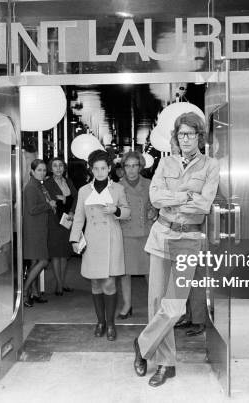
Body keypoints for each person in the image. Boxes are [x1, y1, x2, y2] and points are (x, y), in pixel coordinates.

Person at [133, 112, 220, 387]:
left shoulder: (210, 166)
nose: (185, 139)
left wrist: (176, 200)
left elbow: (203, 206)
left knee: (173, 307)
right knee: (157, 302)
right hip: (161, 235)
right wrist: (185, 196)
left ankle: (141, 344)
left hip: (188, 238)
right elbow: (156, 199)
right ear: (176, 136)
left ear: (200, 137)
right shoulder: (165, 162)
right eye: (181, 134)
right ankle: (165, 364)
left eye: (191, 134)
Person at [69, 150, 131, 341]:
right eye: (96, 168)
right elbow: (79, 217)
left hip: (112, 238)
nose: (100, 172)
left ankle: (110, 323)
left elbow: (127, 212)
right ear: (91, 170)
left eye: (103, 168)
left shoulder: (118, 189)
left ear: (110, 168)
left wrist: (116, 209)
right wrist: (74, 239)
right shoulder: (84, 190)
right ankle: (100, 322)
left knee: (110, 282)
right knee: (95, 282)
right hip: (91, 239)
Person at [118, 151, 157, 318]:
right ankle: (127, 305)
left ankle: (154, 305)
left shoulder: (150, 183)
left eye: (134, 166)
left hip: (146, 232)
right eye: (128, 166)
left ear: (140, 167)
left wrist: (154, 210)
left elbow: (157, 203)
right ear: (123, 168)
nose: (131, 170)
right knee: (125, 272)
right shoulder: (117, 186)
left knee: (150, 271)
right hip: (125, 233)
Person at [22, 159, 56, 307]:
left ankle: (34, 293)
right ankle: (24, 291)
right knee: (43, 261)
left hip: (39, 227)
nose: (42, 173)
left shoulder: (38, 185)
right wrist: (48, 205)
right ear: (32, 171)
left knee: (35, 262)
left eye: (44, 170)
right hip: (33, 229)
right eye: (39, 170)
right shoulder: (31, 187)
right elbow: (32, 209)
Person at [45, 158, 78, 295]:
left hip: (67, 221)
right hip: (54, 221)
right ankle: (59, 285)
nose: (58, 168)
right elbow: (52, 201)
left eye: (60, 166)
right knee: (56, 255)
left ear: (64, 168)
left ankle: (62, 282)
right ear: (51, 168)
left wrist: (70, 208)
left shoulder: (68, 181)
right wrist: (65, 200)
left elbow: (76, 198)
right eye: (55, 166)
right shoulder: (47, 183)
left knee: (64, 254)